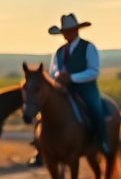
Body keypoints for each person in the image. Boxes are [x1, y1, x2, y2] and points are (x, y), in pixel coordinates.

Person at [47, 13, 111, 154]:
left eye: (67, 32)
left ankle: (103, 142)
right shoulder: (59, 51)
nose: (65, 35)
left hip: (86, 88)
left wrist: (72, 77)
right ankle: (41, 147)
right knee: (45, 108)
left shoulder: (88, 47)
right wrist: (58, 76)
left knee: (95, 109)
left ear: (75, 31)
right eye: (63, 32)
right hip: (63, 88)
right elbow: (53, 70)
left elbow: (93, 72)